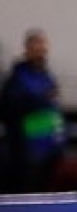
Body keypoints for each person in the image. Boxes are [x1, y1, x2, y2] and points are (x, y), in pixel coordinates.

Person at [0, 29, 65, 192]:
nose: (41, 53)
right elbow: (13, 108)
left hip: (48, 149)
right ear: (27, 50)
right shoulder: (18, 78)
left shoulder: (47, 76)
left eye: (43, 48)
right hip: (26, 151)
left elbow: (54, 109)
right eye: (36, 48)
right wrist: (41, 99)